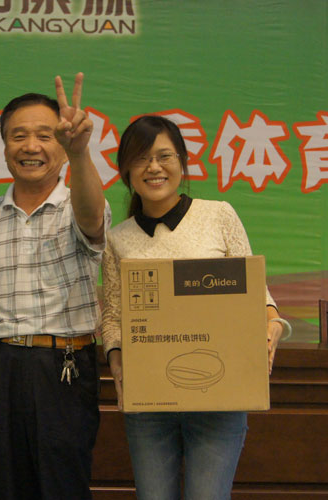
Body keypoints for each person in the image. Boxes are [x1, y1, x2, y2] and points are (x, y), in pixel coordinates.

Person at [100, 115, 289, 500]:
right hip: (149, 399)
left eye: (164, 156)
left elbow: (254, 290)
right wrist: (116, 359)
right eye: (141, 159)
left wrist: (273, 324)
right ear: (126, 171)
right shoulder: (117, 239)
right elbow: (115, 316)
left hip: (220, 396)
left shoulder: (218, 215)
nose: (154, 167)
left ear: (182, 162)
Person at [0, 73, 110, 500]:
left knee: (63, 488)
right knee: (9, 485)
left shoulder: (78, 204)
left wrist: (81, 153)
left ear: (62, 145)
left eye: (44, 135)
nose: (30, 146)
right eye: (18, 136)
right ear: (4, 148)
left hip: (64, 367)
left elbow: (93, 219)